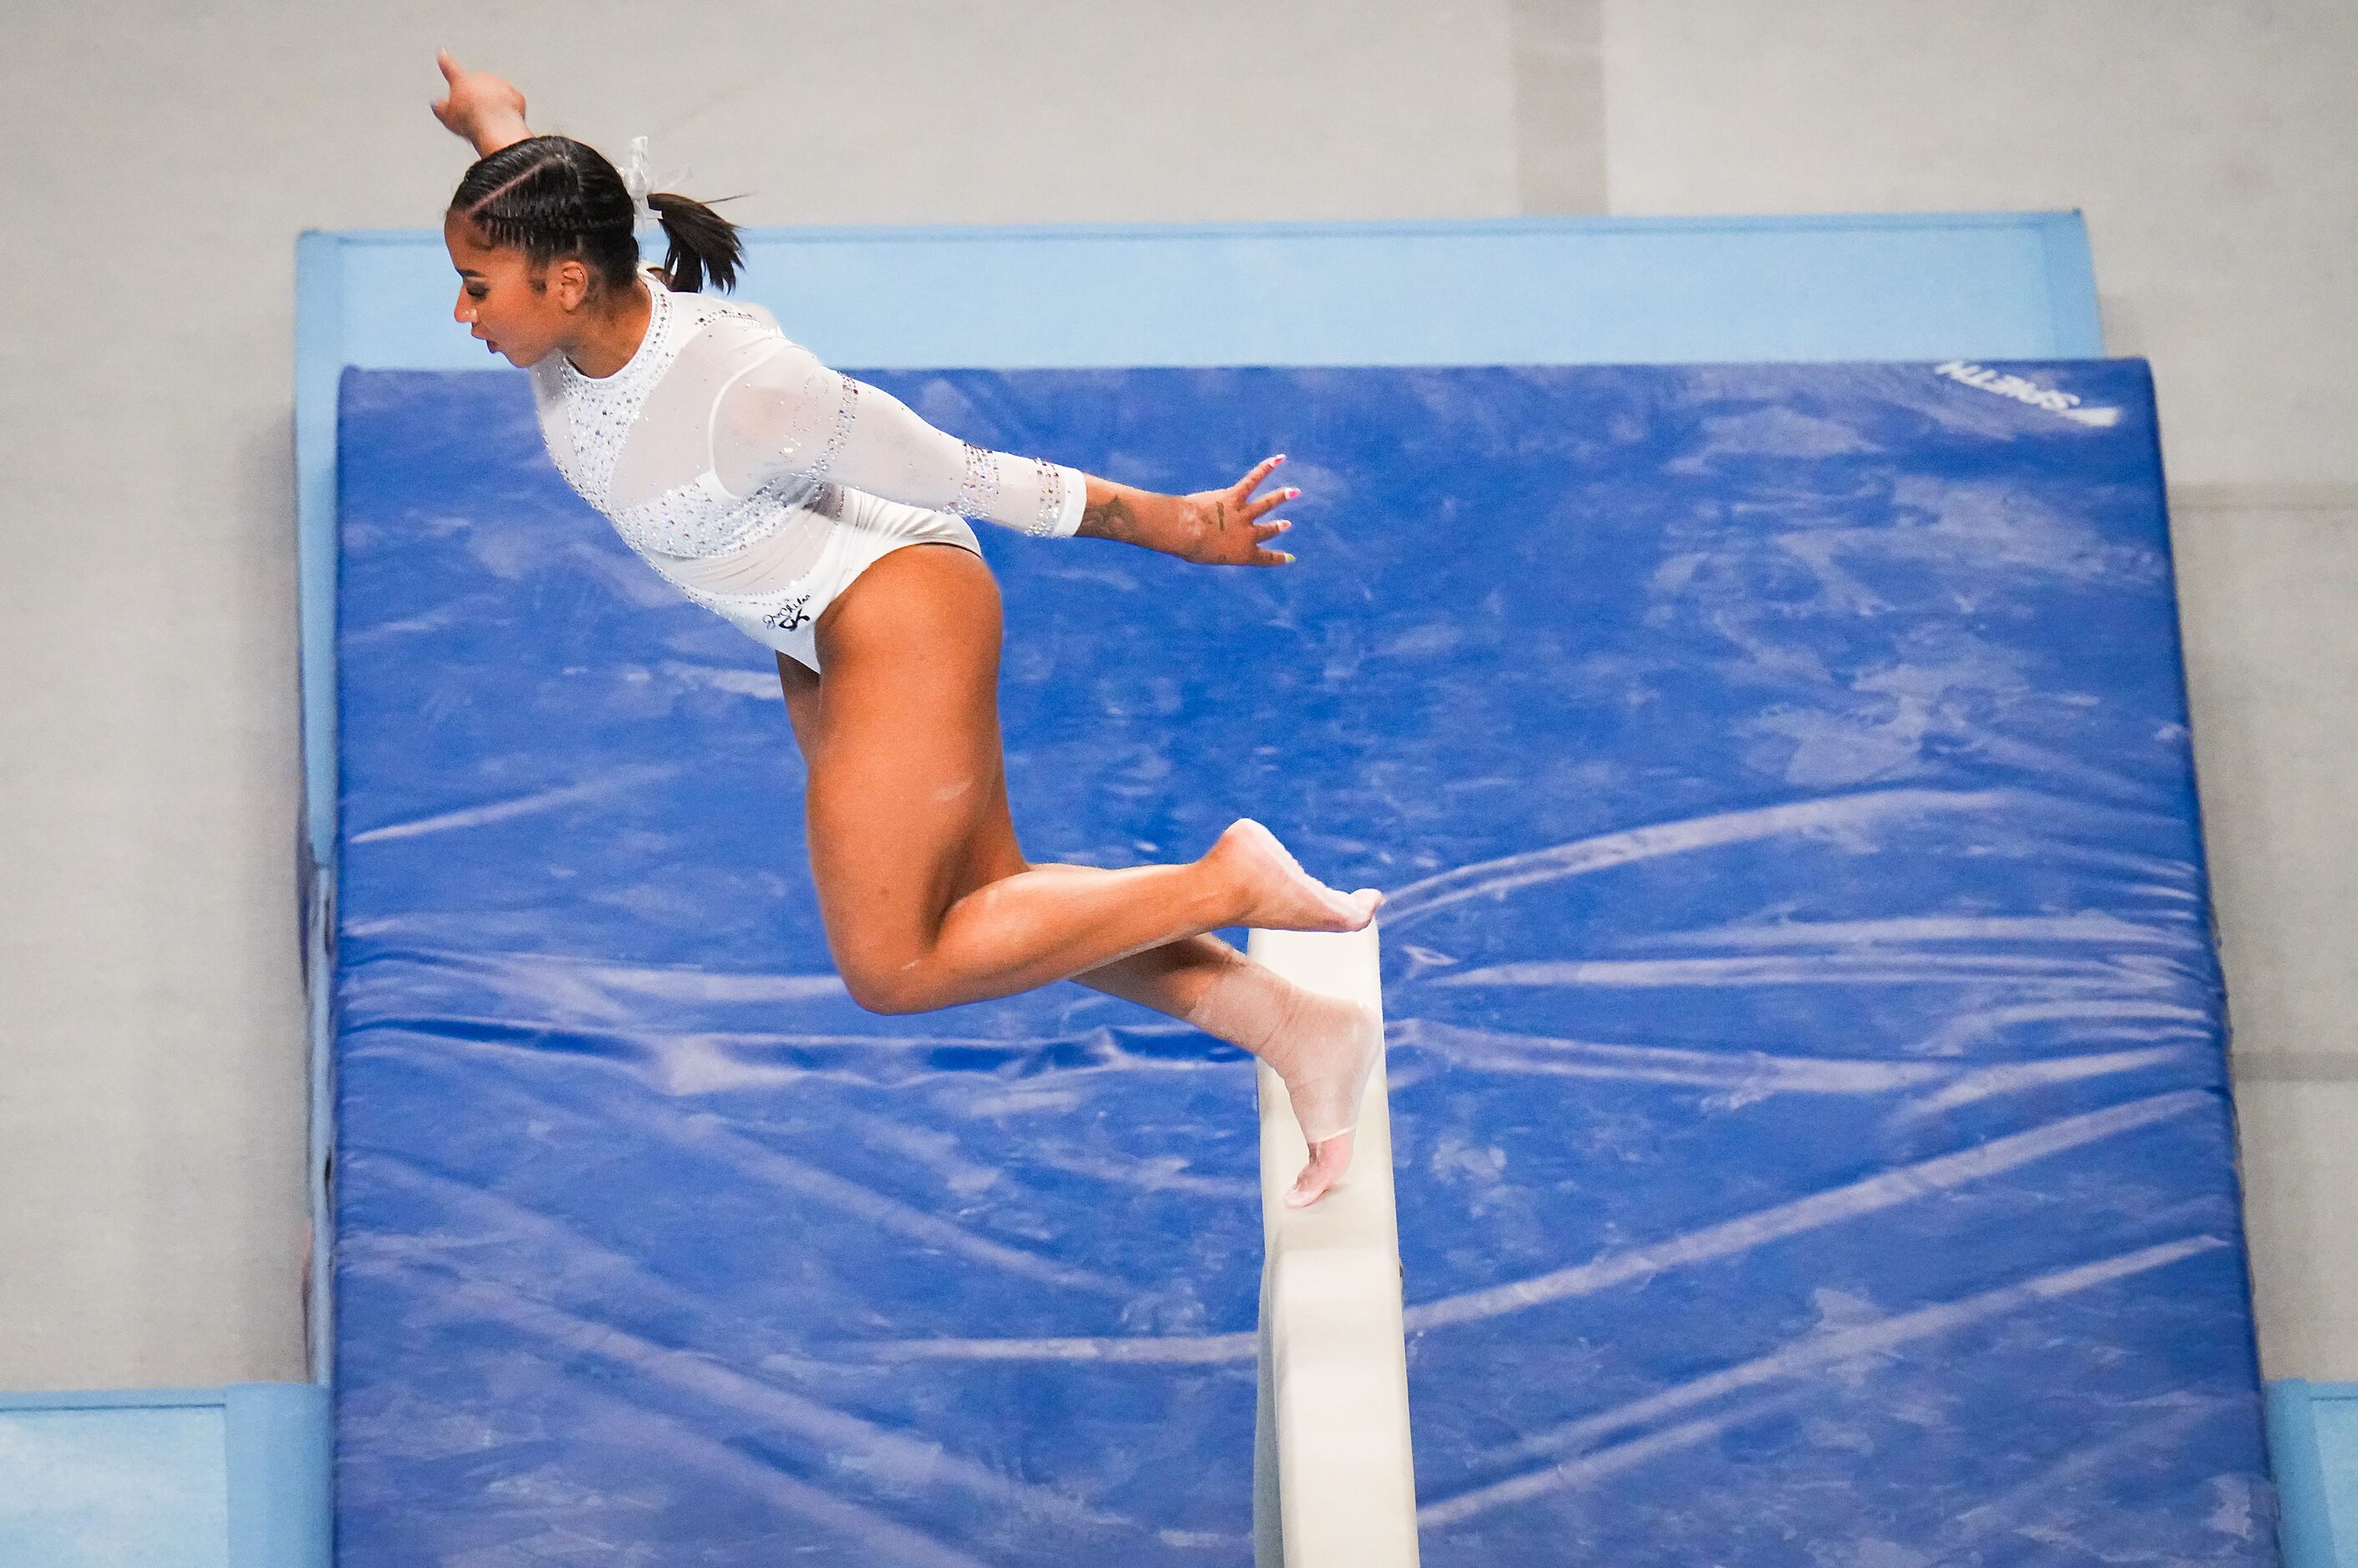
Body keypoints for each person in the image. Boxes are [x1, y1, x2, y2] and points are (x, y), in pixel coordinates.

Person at [430, 52, 1383, 1205]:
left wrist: (1180, 526)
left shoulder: (749, 389)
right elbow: (527, 191)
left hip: (896, 611)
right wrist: (495, 120)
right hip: (820, 631)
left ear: (568, 281)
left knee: (896, 962)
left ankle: (1225, 878)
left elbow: (973, 475)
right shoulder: (565, 278)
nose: (463, 309)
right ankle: (1294, 1026)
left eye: (478, 286)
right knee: (999, 911)